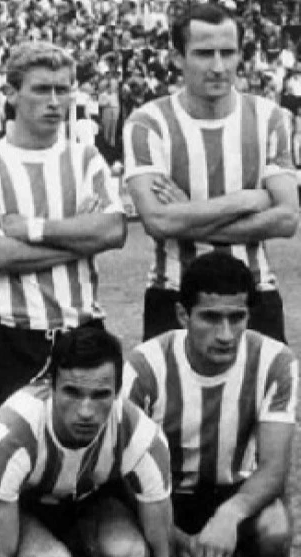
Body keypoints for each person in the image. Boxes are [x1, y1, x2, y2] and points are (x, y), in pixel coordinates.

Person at [0, 42, 127, 430]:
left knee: (85, 459)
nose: (55, 101)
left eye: (63, 89)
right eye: (41, 89)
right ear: (13, 94)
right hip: (10, 339)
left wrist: (32, 229)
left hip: (82, 330)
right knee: (4, 459)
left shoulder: (86, 158)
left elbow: (113, 230)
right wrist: (81, 241)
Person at [122, 2, 299, 343]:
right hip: (173, 294)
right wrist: (246, 200)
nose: (218, 66)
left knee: (257, 396)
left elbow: (287, 219)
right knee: (174, 398)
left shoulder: (270, 118)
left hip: (254, 294)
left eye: (228, 53)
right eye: (204, 53)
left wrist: (187, 213)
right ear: (177, 58)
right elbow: (158, 222)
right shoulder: (148, 123)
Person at [121, 251, 296, 557]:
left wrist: (229, 516)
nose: (226, 335)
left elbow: (273, 468)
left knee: (276, 529)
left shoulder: (275, 361)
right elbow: (122, 475)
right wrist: (177, 537)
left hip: (233, 492)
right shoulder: (144, 367)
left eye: (237, 317)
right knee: (123, 549)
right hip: (161, 496)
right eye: (211, 317)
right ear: (183, 315)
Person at [0, 326, 173, 557]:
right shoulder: (12, 435)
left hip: (94, 505)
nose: (85, 412)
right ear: (50, 386)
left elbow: (163, 552)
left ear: (118, 392)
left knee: (127, 551)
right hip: (24, 508)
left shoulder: (141, 438)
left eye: (100, 395)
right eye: (72, 392)